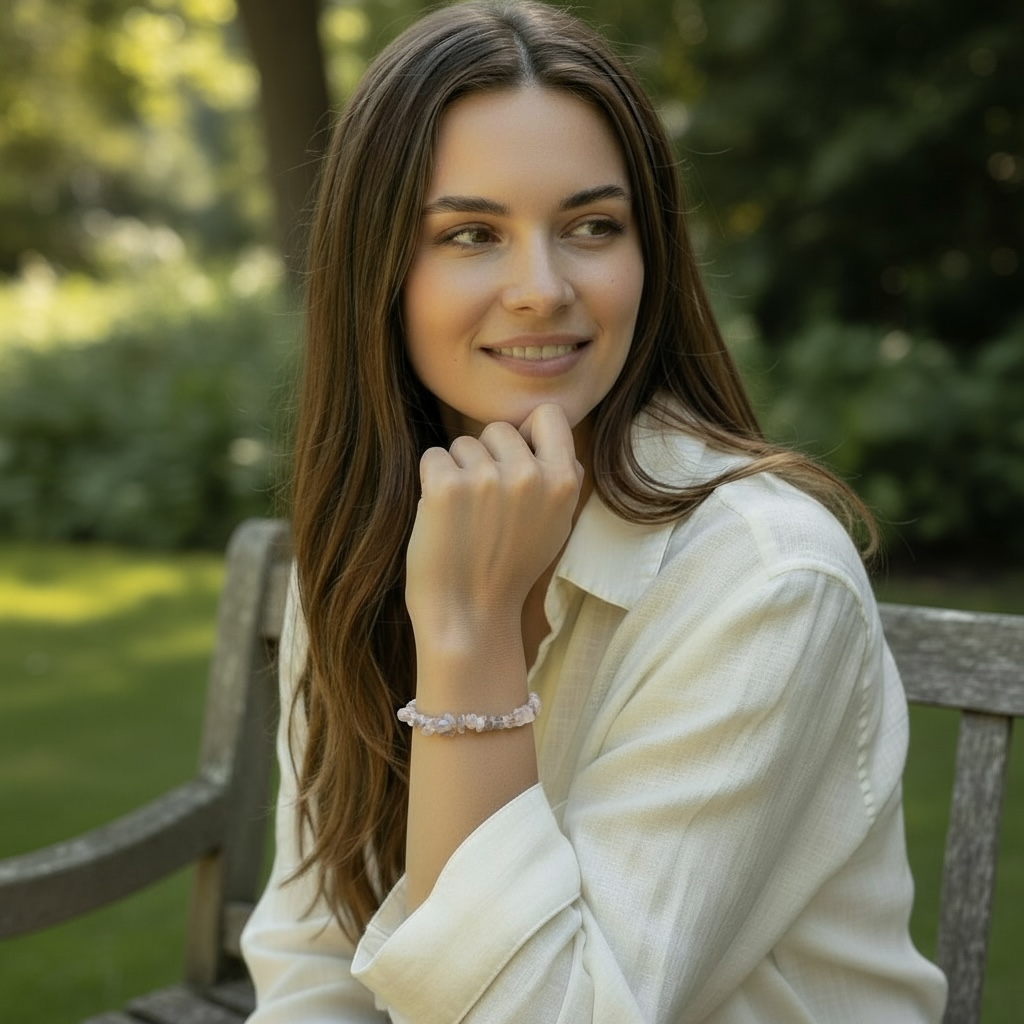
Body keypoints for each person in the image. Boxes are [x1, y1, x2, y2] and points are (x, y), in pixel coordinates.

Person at [241, 2, 948, 1021]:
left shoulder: (764, 578)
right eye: (471, 233)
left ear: (646, 253)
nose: (543, 287)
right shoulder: (371, 535)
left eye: (590, 227)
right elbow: (313, 957)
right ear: (377, 270)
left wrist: (468, 633)